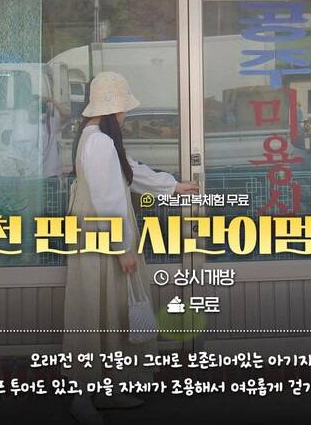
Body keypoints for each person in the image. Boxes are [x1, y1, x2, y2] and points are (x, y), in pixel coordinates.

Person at [63, 72, 198, 425]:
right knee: (94, 311)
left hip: (99, 238)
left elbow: (129, 171)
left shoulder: (95, 138)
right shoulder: (100, 142)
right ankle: (82, 398)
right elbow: (109, 198)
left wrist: (172, 186)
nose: (125, 114)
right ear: (113, 109)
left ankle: (107, 390)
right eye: (123, 107)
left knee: (107, 310)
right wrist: (123, 248)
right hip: (103, 240)